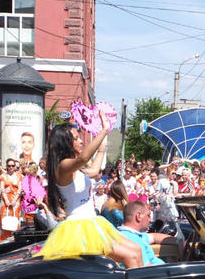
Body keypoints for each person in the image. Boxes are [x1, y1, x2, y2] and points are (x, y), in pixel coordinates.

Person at [37, 114, 143, 268]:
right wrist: (104, 130)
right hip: (79, 227)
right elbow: (83, 159)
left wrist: (102, 143)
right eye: (76, 138)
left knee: (137, 249)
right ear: (65, 143)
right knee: (131, 256)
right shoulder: (62, 167)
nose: (80, 141)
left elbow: (93, 170)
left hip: (92, 222)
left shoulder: (74, 169)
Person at [117, 200, 180, 266]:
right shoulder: (132, 241)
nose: (150, 220)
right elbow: (146, 269)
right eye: (148, 215)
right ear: (138, 216)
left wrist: (178, 241)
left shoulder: (132, 235)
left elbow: (154, 237)